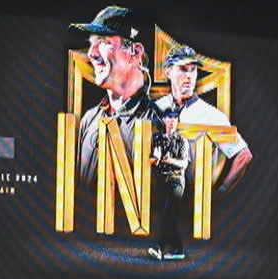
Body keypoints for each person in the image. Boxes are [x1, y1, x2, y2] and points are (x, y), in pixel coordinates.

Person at [147, 44, 253, 261]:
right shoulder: (156, 109)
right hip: (150, 205)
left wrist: (220, 192)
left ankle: (165, 246)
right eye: (182, 69)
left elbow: (243, 155)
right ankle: (169, 247)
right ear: (168, 71)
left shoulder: (210, 115)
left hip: (191, 205)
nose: (189, 76)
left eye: (192, 70)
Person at [71, 6, 161, 185]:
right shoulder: (88, 120)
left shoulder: (156, 124)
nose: (91, 53)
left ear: (135, 52)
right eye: (91, 43)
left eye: (103, 42)